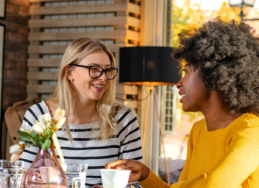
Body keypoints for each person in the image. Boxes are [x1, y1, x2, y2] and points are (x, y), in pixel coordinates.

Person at [106, 19, 259, 188]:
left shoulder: (252, 132)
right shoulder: (198, 131)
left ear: (214, 74)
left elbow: (213, 184)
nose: (179, 83)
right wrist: (144, 174)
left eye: (186, 71)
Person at [19, 38, 143, 187]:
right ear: (70, 72)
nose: (103, 77)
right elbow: (23, 179)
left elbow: (136, 183)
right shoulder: (40, 115)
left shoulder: (123, 119)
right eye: (94, 69)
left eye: (108, 70)